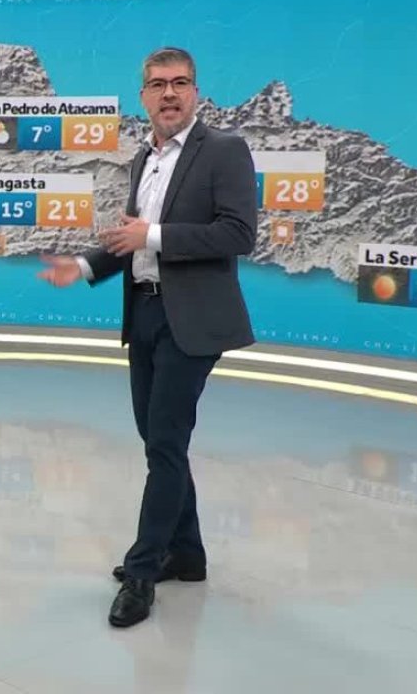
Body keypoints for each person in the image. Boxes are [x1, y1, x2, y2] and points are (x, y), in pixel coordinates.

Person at [37, 46, 257, 628]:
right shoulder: (144, 159)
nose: (169, 93)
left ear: (195, 92)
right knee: (162, 442)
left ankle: (142, 572)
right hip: (145, 315)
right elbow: (133, 239)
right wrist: (84, 266)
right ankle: (187, 555)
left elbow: (238, 234)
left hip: (194, 320)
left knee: (163, 443)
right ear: (143, 96)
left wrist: (154, 235)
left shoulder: (224, 151)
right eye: (158, 84)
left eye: (180, 83)